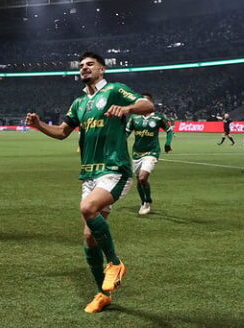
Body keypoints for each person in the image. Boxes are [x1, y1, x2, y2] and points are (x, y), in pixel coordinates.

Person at [25, 52, 153, 313]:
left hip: (114, 168)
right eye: (81, 65)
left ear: (102, 69)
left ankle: (115, 263)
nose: (84, 68)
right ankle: (101, 294)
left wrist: (127, 109)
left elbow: (147, 105)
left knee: (88, 208)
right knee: (88, 237)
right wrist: (39, 125)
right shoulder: (79, 102)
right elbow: (62, 132)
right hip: (89, 174)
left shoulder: (116, 90)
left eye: (90, 64)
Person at [125, 93, 173, 215]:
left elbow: (169, 130)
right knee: (139, 180)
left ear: (150, 104)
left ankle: (148, 201)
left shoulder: (159, 117)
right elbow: (126, 134)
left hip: (152, 152)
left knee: (142, 177)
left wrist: (167, 143)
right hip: (136, 153)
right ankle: (143, 202)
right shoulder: (134, 118)